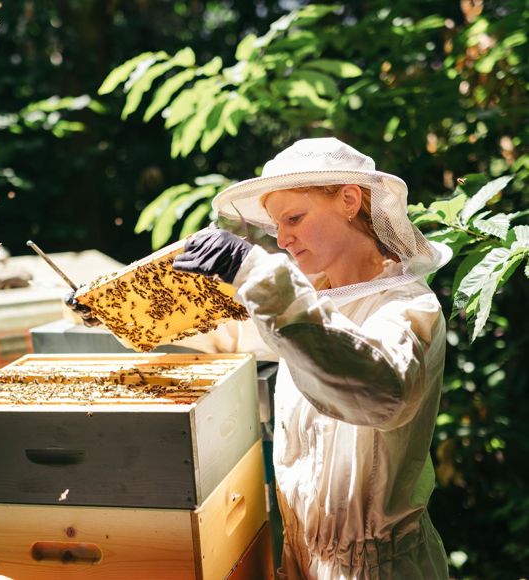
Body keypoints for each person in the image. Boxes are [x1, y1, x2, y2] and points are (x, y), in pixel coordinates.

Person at [170, 137, 452, 579]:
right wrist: (120, 314)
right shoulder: (315, 300)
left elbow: (380, 391)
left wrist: (256, 272)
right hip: (300, 558)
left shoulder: (407, 306)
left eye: (294, 218)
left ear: (348, 199)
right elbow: (237, 333)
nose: (281, 239)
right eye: (276, 225)